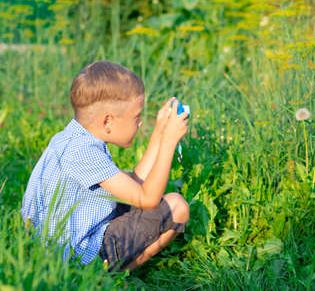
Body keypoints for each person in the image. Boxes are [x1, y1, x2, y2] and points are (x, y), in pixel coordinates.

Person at [21, 61, 190, 271]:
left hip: (50, 247)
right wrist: (169, 142)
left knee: (146, 200)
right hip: (75, 257)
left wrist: (159, 133)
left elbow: (136, 186)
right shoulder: (85, 153)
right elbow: (147, 199)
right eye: (137, 117)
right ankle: (106, 279)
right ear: (108, 121)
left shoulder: (71, 139)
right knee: (176, 207)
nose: (140, 123)